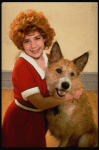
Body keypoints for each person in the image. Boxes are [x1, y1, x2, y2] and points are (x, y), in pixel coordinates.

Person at [2, 9, 82, 147]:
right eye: (27, 41)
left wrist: (75, 90)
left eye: (37, 38)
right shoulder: (21, 67)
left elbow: (66, 78)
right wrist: (67, 97)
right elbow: (40, 103)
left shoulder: (50, 59)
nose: (33, 45)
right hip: (22, 119)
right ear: (21, 44)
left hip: (40, 117)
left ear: (45, 38)